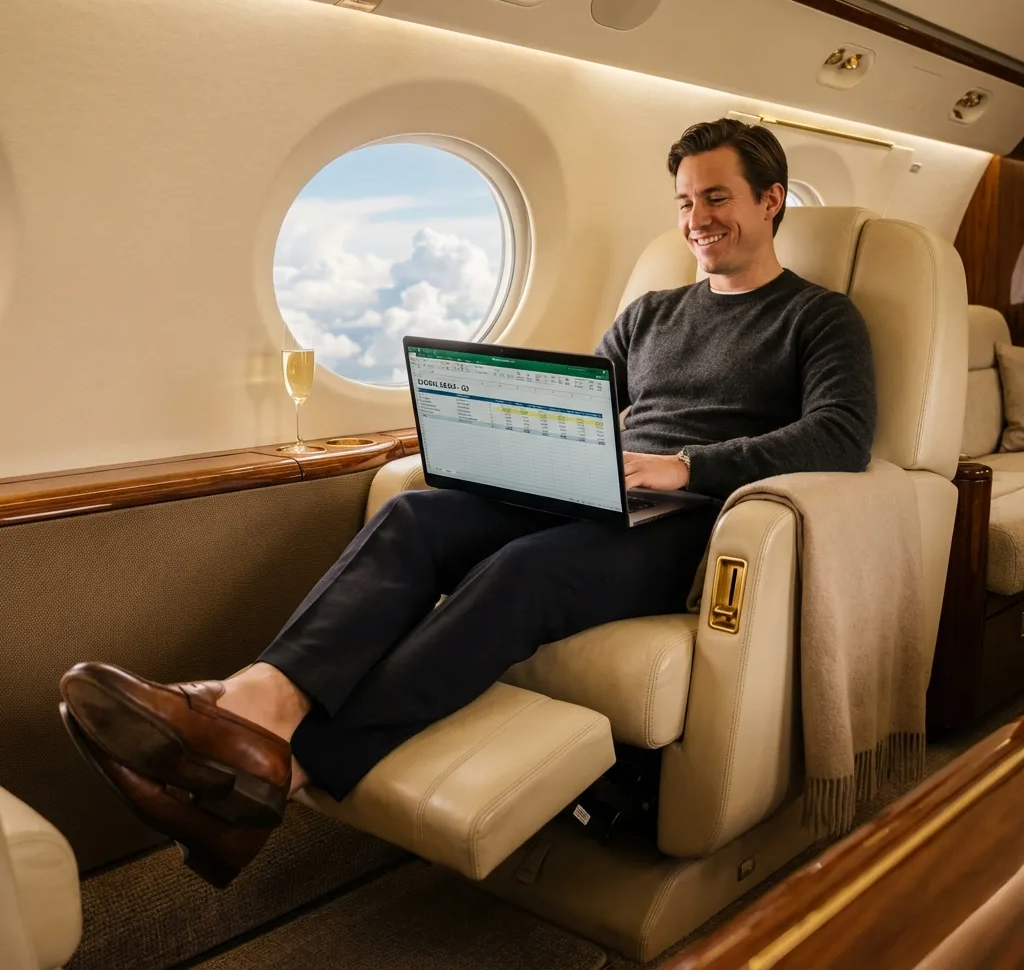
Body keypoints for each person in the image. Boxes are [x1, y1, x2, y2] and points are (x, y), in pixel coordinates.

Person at [58, 118, 876, 887]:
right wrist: (506, 441)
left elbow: (839, 438)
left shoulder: (818, 317)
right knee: (412, 516)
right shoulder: (651, 312)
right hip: (603, 488)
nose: (696, 219)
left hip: (693, 518)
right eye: (685, 202)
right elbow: (585, 411)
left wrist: (680, 465)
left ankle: (292, 767)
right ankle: (250, 705)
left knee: (521, 570)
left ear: (771, 200)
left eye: (717, 197)